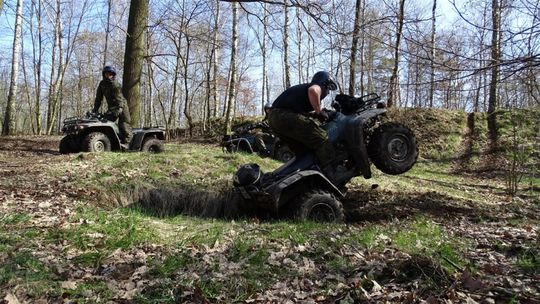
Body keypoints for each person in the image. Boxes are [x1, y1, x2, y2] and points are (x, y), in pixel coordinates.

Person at [267, 71, 337, 175]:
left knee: (302, 149)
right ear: (324, 83)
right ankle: (330, 173)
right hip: (283, 115)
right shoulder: (315, 86)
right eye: (328, 88)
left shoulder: (301, 93)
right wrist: (319, 111)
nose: (327, 92)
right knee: (322, 138)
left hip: (274, 118)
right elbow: (313, 90)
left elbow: (298, 111)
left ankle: (304, 173)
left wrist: (314, 114)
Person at [93, 66, 132, 147]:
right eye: (107, 74)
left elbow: (119, 98)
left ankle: (128, 144)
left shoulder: (115, 84)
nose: (109, 76)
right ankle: (110, 142)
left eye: (110, 74)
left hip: (122, 106)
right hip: (112, 107)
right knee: (106, 124)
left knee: (124, 125)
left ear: (113, 75)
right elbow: (98, 98)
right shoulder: (102, 84)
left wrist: (120, 108)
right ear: (104, 74)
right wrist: (95, 109)